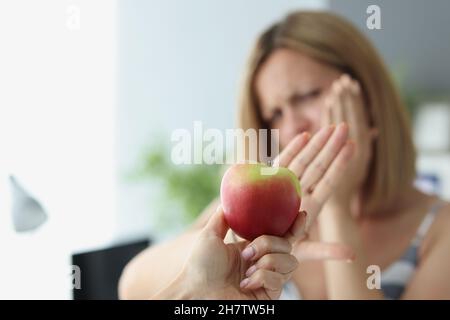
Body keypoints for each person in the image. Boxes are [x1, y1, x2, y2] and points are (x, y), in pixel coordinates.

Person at [119, 11, 450, 300]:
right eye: (274, 114)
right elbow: (133, 286)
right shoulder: (260, 214)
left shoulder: (437, 229)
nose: (292, 126)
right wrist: (231, 246)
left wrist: (337, 210)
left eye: (307, 95)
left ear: (368, 99)